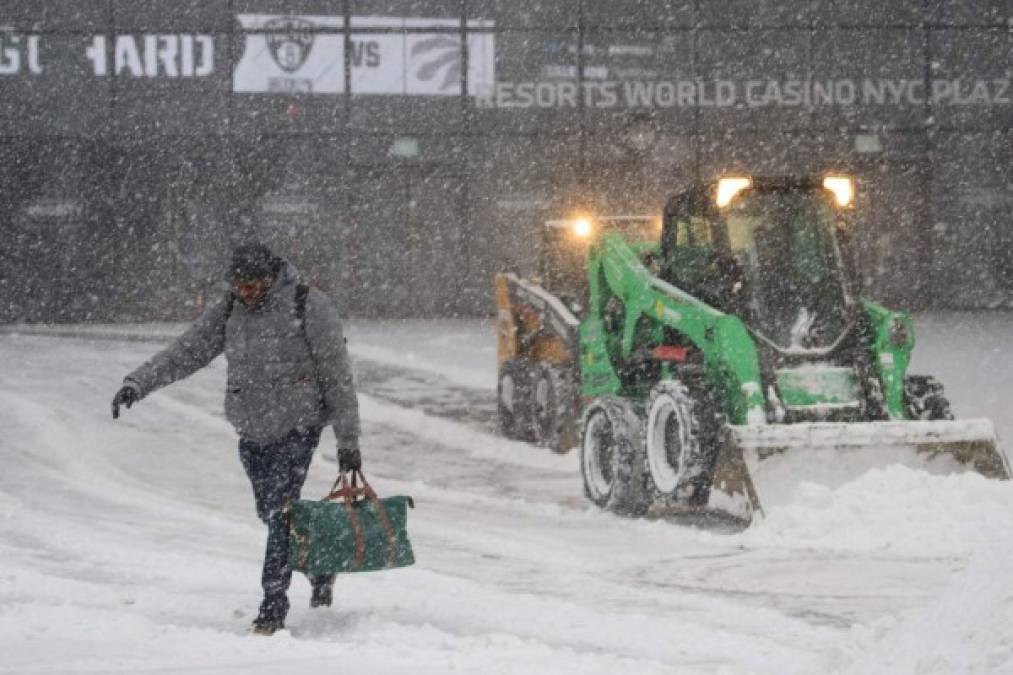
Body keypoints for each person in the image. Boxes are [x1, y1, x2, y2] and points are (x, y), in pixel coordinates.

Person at [111, 242, 361, 636]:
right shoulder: (230, 309)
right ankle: (318, 563)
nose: (243, 293)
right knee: (272, 513)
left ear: (270, 278)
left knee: (280, 513)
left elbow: (337, 376)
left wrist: (348, 442)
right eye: (237, 286)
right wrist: (137, 383)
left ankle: (272, 607)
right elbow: (187, 351)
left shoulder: (309, 305)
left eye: (250, 286)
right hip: (251, 430)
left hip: (298, 426)